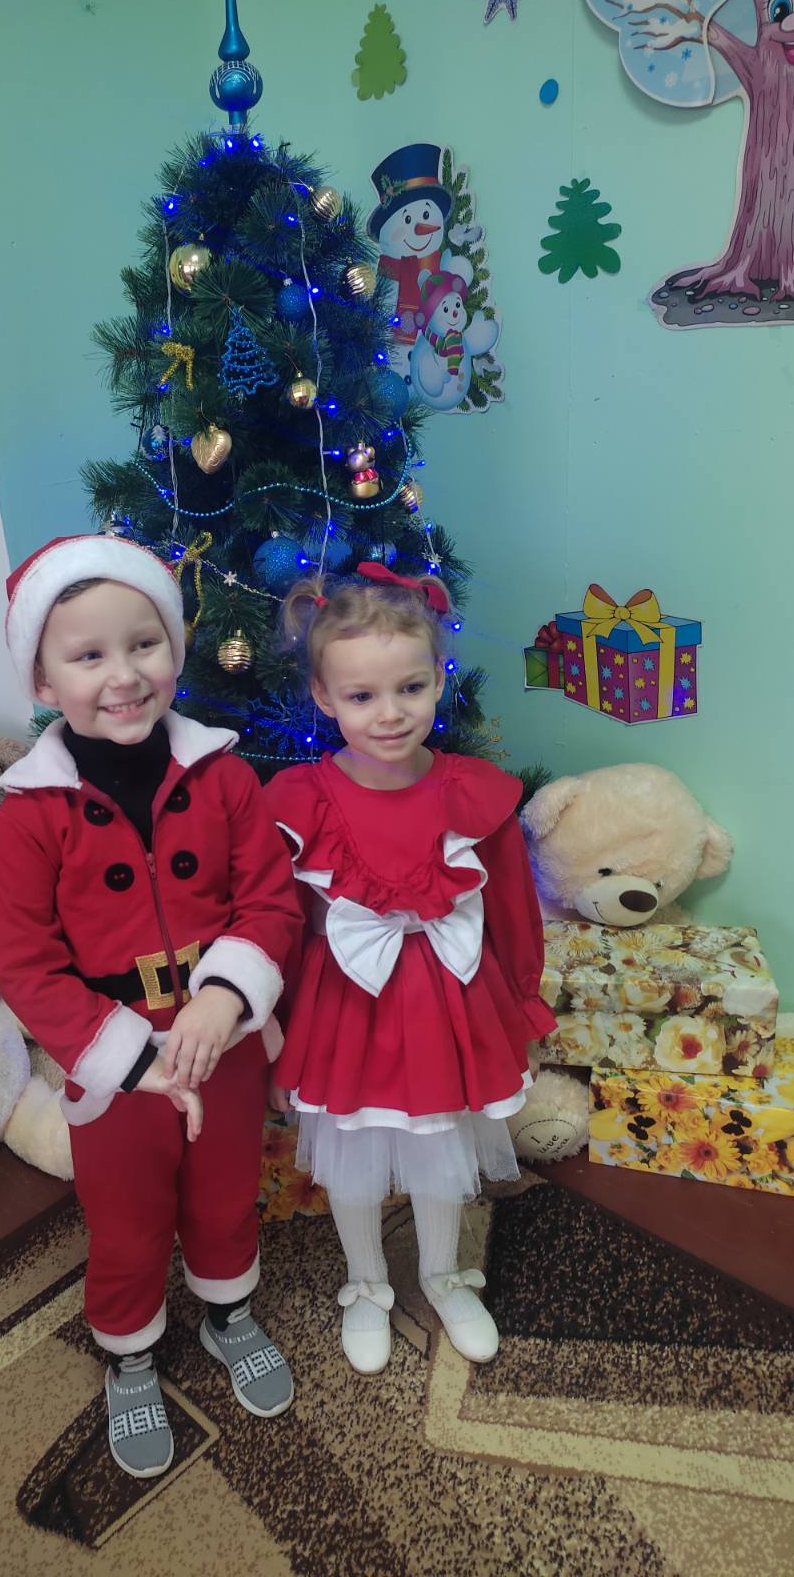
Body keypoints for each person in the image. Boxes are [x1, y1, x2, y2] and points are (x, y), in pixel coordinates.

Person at [0, 534, 301, 1479]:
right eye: (88, 656)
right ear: (43, 680)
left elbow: (271, 903)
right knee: (126, 1223)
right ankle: (128, 1355)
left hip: (222, 1044)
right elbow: (27, 965)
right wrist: (134, 1057)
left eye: (144, 644)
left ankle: (227, 1313)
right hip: (115, 1070)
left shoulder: (227, 777)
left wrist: (222, 1000)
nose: (123, 676)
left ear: (175, 649)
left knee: (225, 1194)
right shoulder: (29, 815)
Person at [265, 562, 556, 1373]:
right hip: (344, 1012)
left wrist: (524, 1010)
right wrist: (275, 1031)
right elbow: (279, 925)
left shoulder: (474, 793)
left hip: (451, 1008)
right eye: (362, 696)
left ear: (438, 679)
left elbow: (514, 916)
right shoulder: (300, 799)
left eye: (411, 688)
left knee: (439, 1150)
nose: (390, 713)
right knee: (352, 1159)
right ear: (324, 696)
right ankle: (365, 1283)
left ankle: (441, 1274)